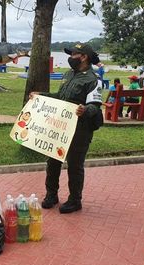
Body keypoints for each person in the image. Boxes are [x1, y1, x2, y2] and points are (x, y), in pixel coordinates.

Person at [30, 43, 102, 214]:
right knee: (53, 161)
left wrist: (84, 110)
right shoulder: (69, 74)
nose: (70, 57)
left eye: (73, 54)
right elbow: (60, 97)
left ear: (83, 57)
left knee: (75, 165)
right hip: (60, 127)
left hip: (80, 130)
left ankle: (75, 200)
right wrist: (41, 95)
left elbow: (95, 106)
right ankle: (51, 195)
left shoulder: (93, 80)